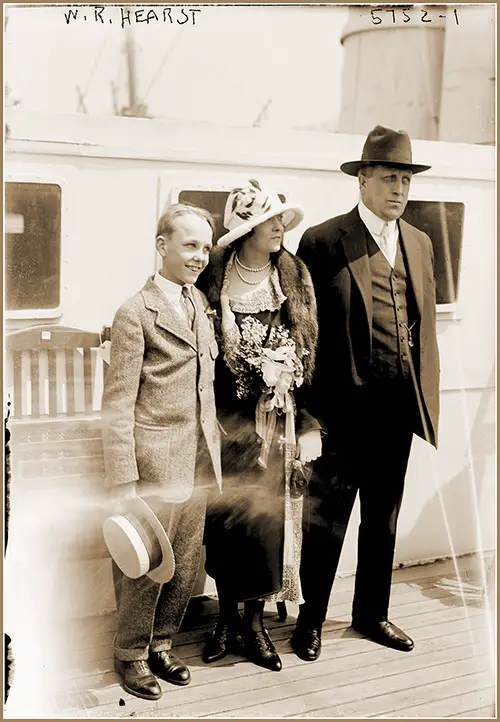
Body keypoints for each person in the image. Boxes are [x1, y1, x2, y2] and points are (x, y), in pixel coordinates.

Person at [291, 126, 440, 660]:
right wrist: (308, 415)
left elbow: (423, 327)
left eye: (405, 178)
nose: (399, 189)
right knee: (326, 519)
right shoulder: (325, 240)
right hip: (340, 413)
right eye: (388, 177)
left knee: (384, 517)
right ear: (362, 181)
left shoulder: (420, 243)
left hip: (397, 412)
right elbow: (305, 330)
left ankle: (372, 614)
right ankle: (310, 618)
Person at [197, 179, 322, 672]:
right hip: (225, 423)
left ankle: (255, 622)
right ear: (247, 229)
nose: (279, 228)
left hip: (278, 421)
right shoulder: (214, 279)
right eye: (270, 220)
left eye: (280, 220)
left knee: (266, 519)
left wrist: (306, 419)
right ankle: (225, 619)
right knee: (226, 520)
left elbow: (311, 356)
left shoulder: (293, 275)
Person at [101, 203, 222, 700]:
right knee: (146, 560)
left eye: (206, 247)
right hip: (152, 460)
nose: (199, 257)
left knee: (185, 558)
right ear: (162, 246)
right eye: (190, 245)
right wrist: (124, 477)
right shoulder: (135, 313)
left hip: (197, 454)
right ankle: (130, 652)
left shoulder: (199, 304)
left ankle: (162, 644)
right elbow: (117, 403)